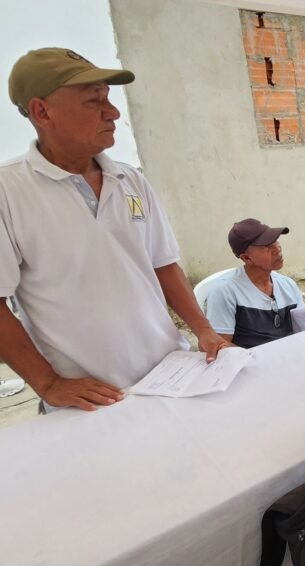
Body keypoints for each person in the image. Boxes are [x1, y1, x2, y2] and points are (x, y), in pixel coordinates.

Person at [0, 47, 229, 412]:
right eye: (94, 102)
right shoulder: (8, 192)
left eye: (108, 98)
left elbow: (164, 264)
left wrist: (203, 329)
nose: (113, 113)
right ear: (42, 111)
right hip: (89, 400)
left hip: (169, 374)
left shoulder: (129, 179)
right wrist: (48, 383)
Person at [205, 218, 305, 348]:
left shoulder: (288, 285)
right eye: (266, 247)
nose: (277, 249)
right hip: (251, 363)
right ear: (247, 258)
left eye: (275, 240)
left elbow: (304, 329)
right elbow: (220, 345)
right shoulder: (225, 290)